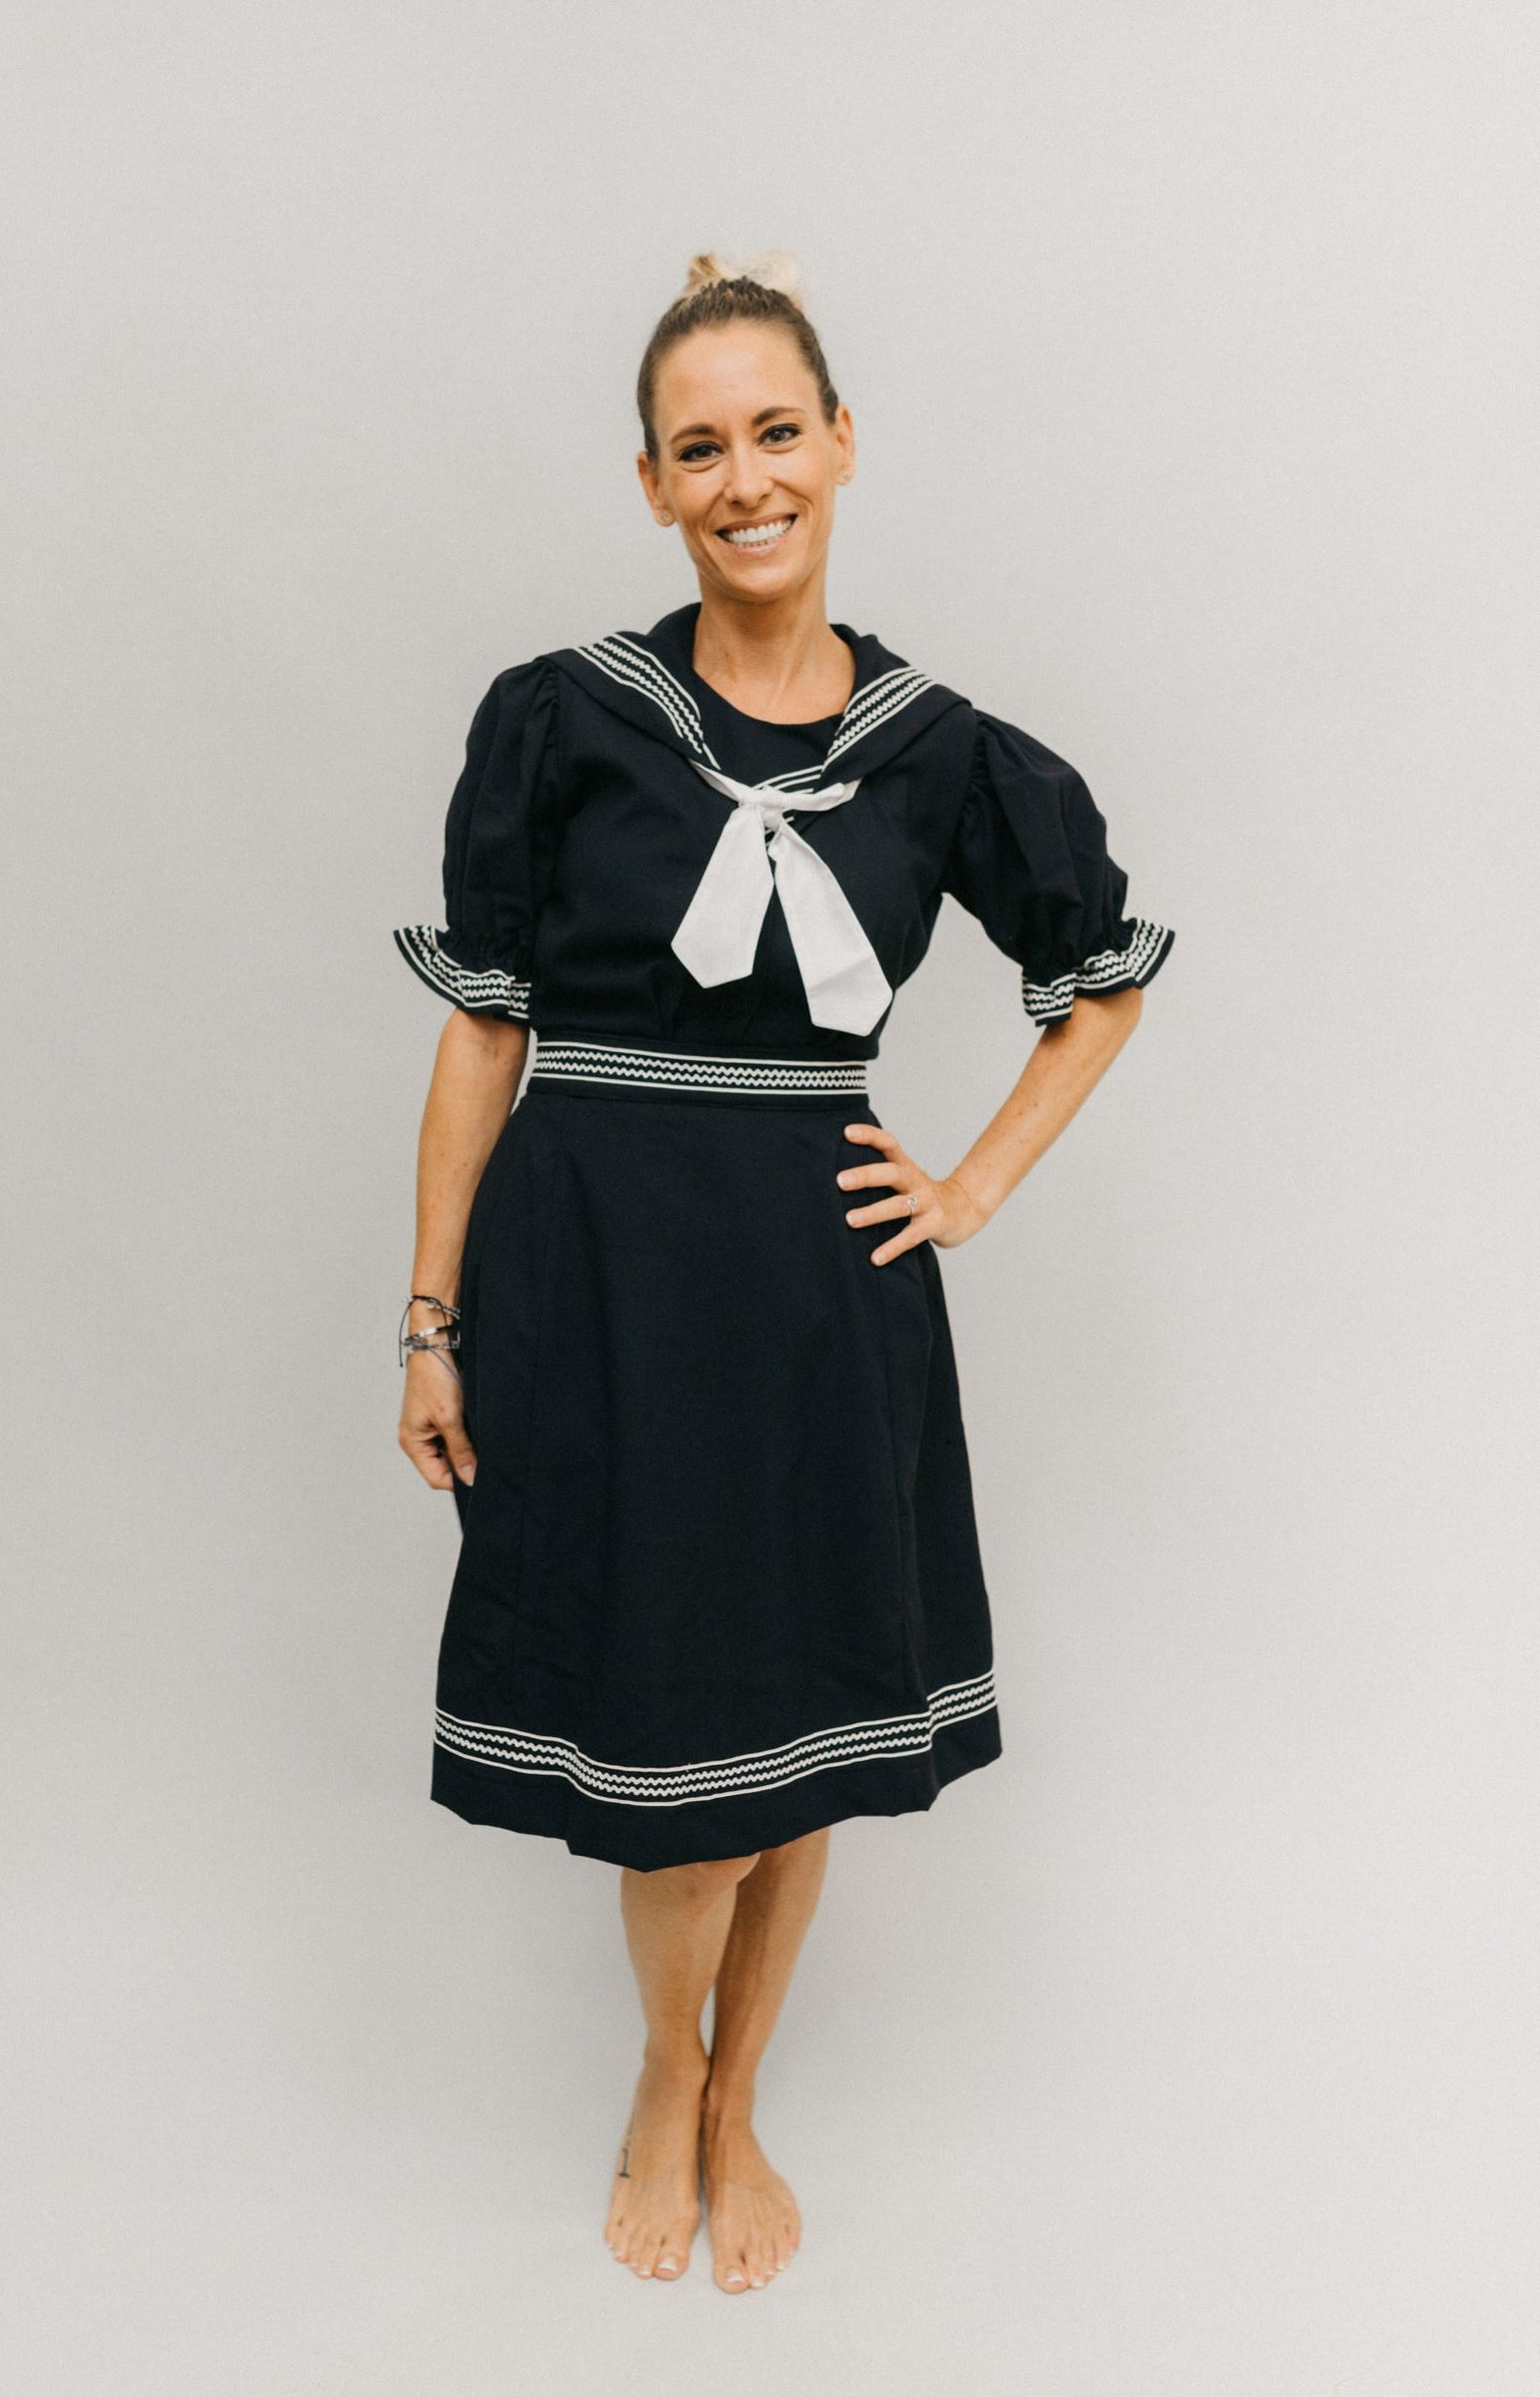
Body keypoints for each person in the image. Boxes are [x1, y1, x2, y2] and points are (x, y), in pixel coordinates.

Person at [391, 252, 1175, 2296]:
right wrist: (425, 1315)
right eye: (696, 445)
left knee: (801, 1706)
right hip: (594, 1282)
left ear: (838, 445)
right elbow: (481, 1033)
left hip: (819, 1291)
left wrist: (975, 1186)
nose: (743, 476)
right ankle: (670, 2072)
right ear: (649, 485)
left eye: (774, 430)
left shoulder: (942, 750)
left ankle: (741, 2097)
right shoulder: (561, 716)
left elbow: (1090, 987)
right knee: (670, 1754)